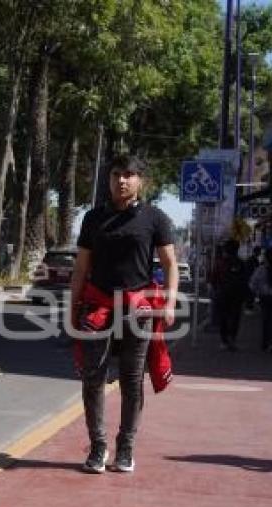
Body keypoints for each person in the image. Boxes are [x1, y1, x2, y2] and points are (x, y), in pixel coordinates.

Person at [71, 154, 178, 474]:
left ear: (140, 181)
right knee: (93, 377)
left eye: (129, 175)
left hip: (138, 307)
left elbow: (170, 264)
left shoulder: (155, 218)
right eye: (116, 174)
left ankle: (126, 448)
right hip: (97, 305)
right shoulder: (93, 218)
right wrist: (72, 308)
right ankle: (98, 446)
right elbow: (81, 268)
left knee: (132, 380)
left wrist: (169, 302)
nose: (122, 180)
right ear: (109, 179)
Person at [210, 239, 248, 351]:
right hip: (237, 295)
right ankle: (232, 339)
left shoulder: (220, 263)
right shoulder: (241, 263)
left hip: (223, 294)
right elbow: (245, 280)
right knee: (235, 317)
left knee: (224, 317)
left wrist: (215, 290)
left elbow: (213, 279)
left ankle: (224, 341)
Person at [249, 248, 272, 353]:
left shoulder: (261, 269)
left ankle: (265, 342)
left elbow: (252, 284)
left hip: (265, 298)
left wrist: (256, 293)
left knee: (266, 320)